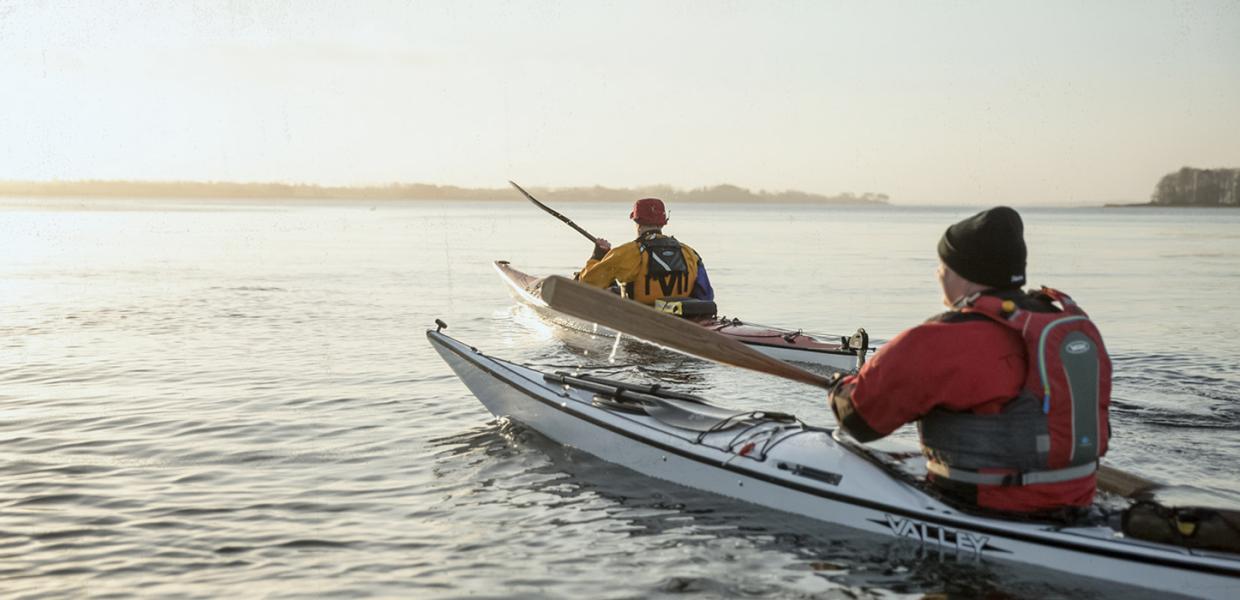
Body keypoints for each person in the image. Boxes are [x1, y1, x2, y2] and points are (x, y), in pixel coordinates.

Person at [828, 206, 1111, 515]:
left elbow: (860, 420)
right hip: (1078, 497)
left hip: (991, 506)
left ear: (964, 274)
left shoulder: (942, 338)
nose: (937, 274)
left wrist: (839, 388)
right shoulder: (1062, 325)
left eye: (942, 265)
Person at [575, 198, 714, 306]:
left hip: (639, 315)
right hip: (681, 315)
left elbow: (587, 283)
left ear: (637, 223)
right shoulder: (690, 253)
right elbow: (706, 295)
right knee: (614, 288)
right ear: (663, 223)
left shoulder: (626, 252)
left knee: (609, 287)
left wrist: (597, 256)